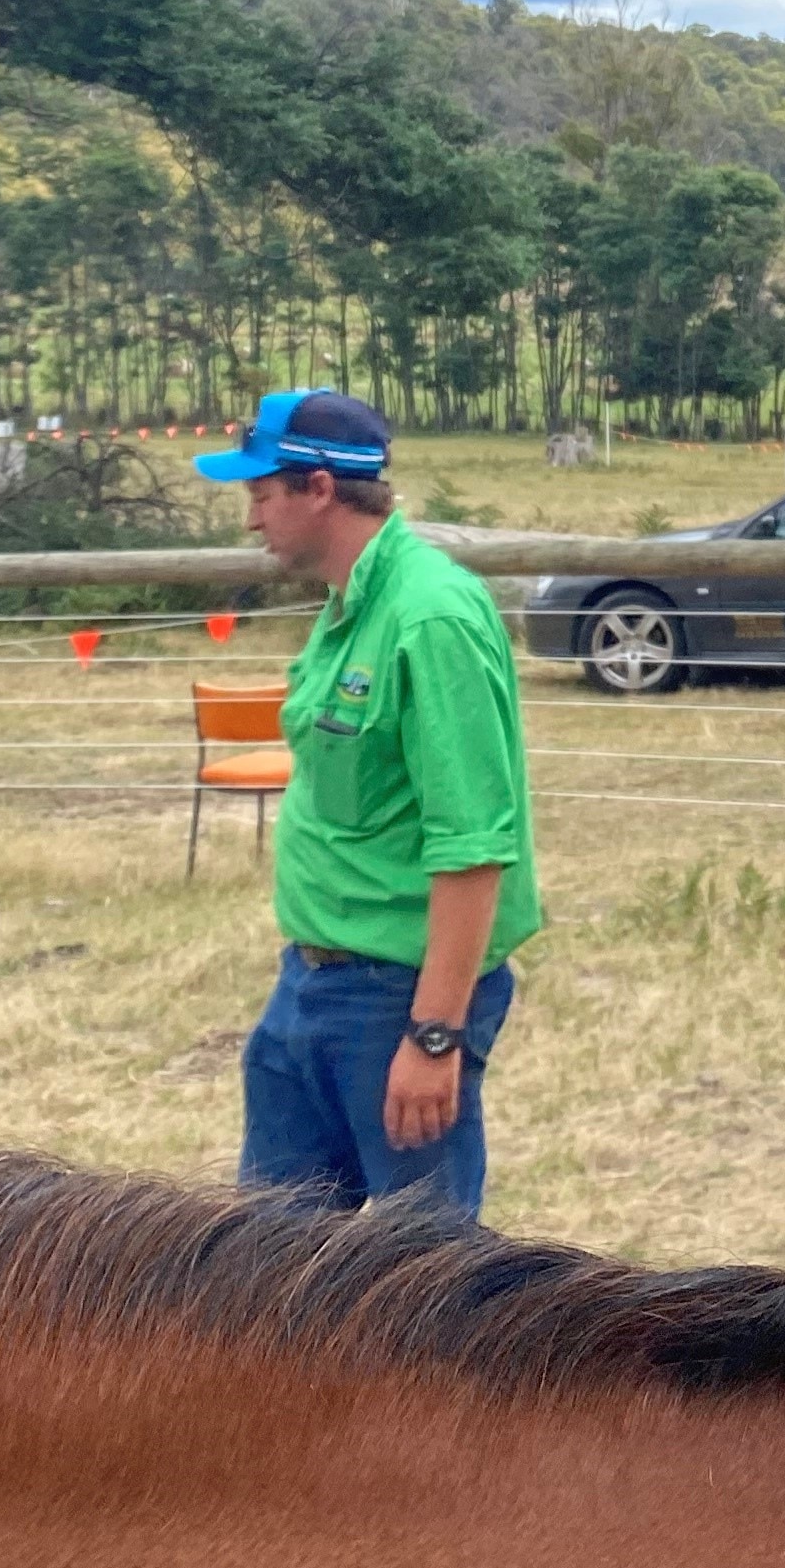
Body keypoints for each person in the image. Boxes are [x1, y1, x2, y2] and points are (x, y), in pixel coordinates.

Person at [204, 387, 541, 1214]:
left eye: (262, 494)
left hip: (394, 997)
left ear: (319, 488)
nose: (252, 519)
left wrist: (434, 1035)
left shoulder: (430, 617)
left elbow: (473, 842)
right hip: (310, 980)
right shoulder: (350, 606)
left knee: (416, 1271)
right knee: (267, 1259)